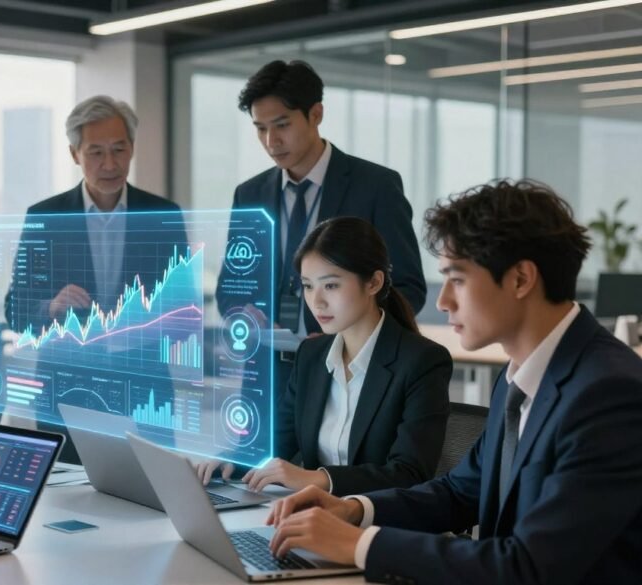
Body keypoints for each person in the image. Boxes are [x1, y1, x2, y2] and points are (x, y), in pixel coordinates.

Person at [265, 180, 642, 584]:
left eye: (457, 279)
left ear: (520, 279)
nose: (443, 300)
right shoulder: (519, 377)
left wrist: (358, 545)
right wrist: (354, 509)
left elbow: (529, 567)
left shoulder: (609, 394)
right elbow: (460, 493)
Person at [199, 217, 451, 495]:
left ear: (374, 282)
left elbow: (410, 473)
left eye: (330, 286)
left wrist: (316, 479)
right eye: (308, 286)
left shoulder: (421, 362)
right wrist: (234, 460)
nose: (316, 301)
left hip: (379, 526)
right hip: (312, 516)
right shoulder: (311, 355)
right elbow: (277, 444)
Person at [3, 95, 188, 463]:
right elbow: (15, 308)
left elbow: (184, 309)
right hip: (68, 391)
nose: (110, 164)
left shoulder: (163, 215)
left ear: (132, 148)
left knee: (155, 502)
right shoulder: (45, 217)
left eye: (119, 150)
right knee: (72, 505)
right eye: (96, 152)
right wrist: (51, 306)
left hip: (145, 388)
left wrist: (157, 315)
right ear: (74, 154)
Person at [216, 60, 425, 339]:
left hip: (345, 369)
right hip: (269, 368)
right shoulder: (250, 194)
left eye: (282, 125)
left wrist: (347, 336)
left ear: (316, 114)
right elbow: (230, 288)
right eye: (260, 128)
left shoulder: (375, 186)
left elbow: (407, 288)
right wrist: (244, 314)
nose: (270, 141)